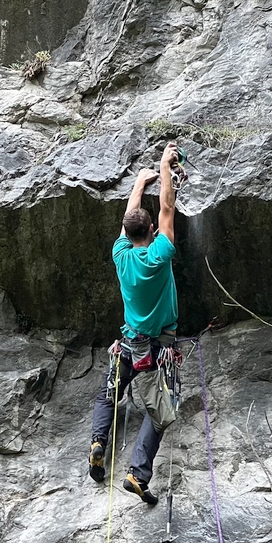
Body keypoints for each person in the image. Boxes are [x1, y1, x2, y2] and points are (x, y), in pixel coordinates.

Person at [88, 141, 180, 505]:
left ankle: (98, 442)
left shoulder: (120, 254)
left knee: (109, 392)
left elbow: (131, 219)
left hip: (128, 343)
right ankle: (137, 474)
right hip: (159, 347)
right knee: (160, 409)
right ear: (152, 232)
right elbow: (168, 208)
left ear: (126, 236)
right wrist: (165, 166)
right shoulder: (160, 253)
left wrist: (140, 183)